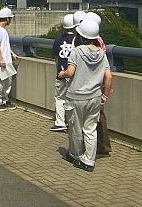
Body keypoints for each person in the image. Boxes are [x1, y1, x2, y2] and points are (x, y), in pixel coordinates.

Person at [59, 19, 113, 171]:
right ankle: (89, 160)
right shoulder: (102, 54)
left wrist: (62, 73)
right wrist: (105, 96)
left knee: (76, 128)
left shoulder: (76, 52)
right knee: (90, 129)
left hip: (76, 96)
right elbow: (108, 77)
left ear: (81, 36)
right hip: (95, 97)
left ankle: (76, 155)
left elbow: (70, 72)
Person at [86, 11, 112, 157]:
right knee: (97, 115)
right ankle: (100, 146)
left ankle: (98, 148)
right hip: (98, 83)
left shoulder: (93, 43)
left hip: (91, 84)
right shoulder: (100, 41)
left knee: (94, 118)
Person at [49, 13, 76, 132]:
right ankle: (72, 123)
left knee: (60, 98)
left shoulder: (58, 40)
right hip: (74, 74)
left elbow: (56, 58)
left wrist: (59, 70)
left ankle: (60, 122)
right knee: (72, 99)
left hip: (61, 73)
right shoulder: (77, 41)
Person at [0, 7, 18, 111]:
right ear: (7, 19)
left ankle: (4, 100)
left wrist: (12, 53)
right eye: (10, 18)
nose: (10, 20)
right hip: (0, 63)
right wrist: (1, 59)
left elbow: (5, 45)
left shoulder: (4, 30)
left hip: (7, 61)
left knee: (7, 83)